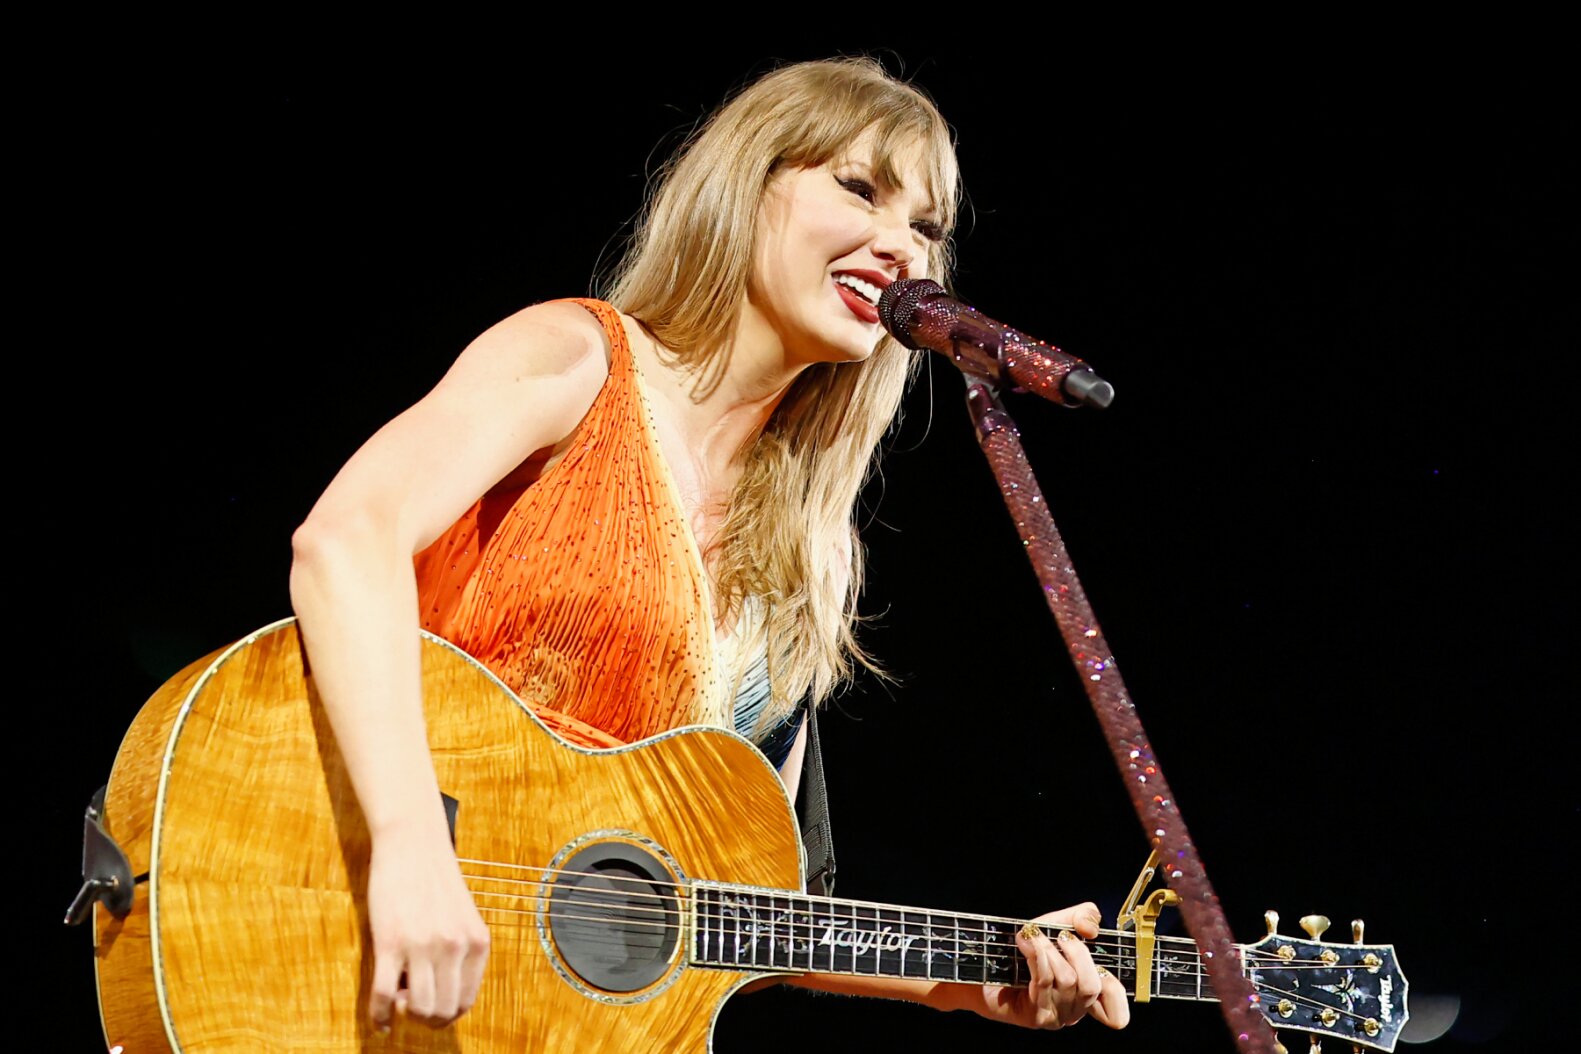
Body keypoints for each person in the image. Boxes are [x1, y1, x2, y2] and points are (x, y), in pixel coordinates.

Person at [288, 55, 1129, 1041]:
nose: (899, 247)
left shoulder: (808, 557)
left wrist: (972, 985)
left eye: (927, 229)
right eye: (858, 189)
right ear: (747, 184)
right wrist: (411, 844)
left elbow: (748, 910)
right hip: (344, 942)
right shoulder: (575, 359)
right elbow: (346, 539)